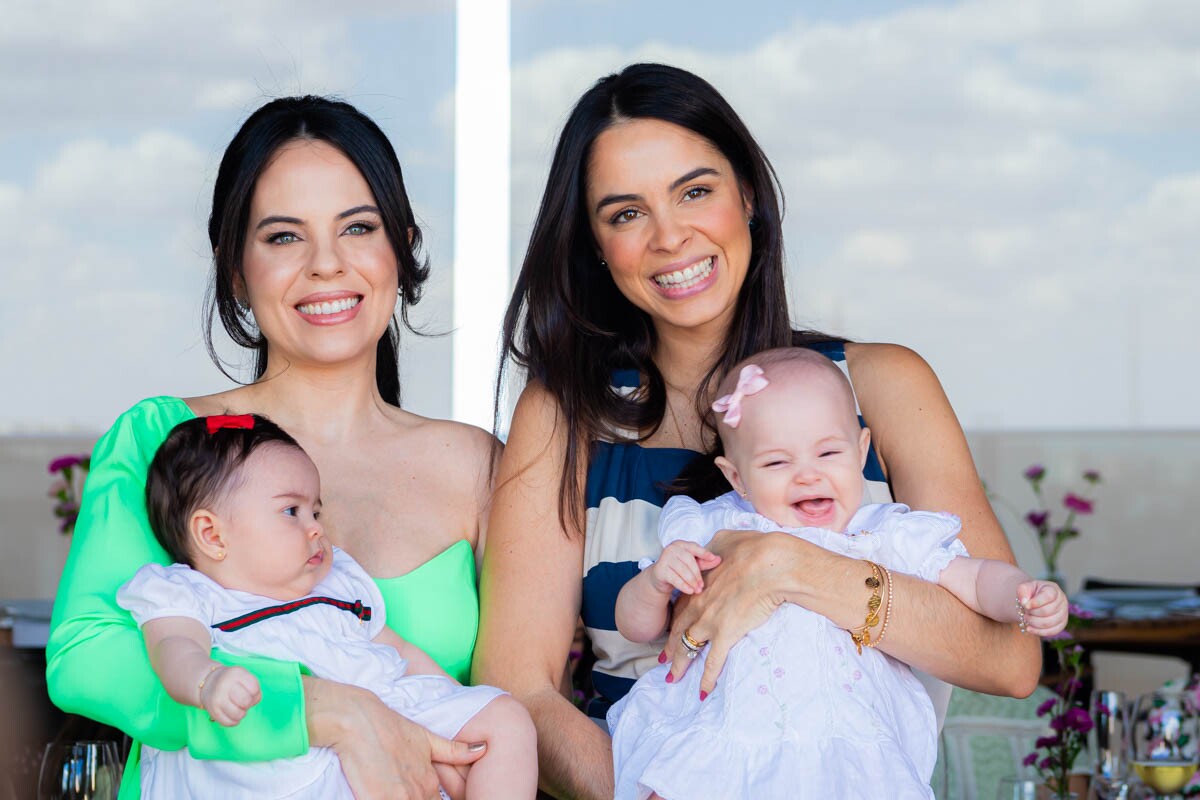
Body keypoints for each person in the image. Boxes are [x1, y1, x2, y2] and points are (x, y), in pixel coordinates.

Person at [474, 63, 1043, 799]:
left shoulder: (882, 386)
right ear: (593, 244)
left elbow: (1011, 660)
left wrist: (792, 567)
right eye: (626, 213)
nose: (670, 236)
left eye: (695, 191)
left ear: (748, 194)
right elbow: (518, 689)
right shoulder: (564, 417)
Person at [47, 96, 501, 800]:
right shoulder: (166, 442)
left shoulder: (479, 466)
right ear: (235, 268)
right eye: (284, 237)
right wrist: (324, 711)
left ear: (403, 248)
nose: (326, 264)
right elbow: (85, 657)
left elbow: (512, 701)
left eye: (358, 227)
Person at [608, 349, 1067, 799]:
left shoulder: (885, 535)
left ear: (861, 449)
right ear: (737, 478)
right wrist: (655, 583)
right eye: (776, 462)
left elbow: (973, 578)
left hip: (844, 743)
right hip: (725, 734)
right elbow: (639, 627)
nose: (808, 476)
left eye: (828, 452)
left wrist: (1021, 595)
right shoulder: (716, 531)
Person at [117, 414, 535, 799]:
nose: (316, 526)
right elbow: (174, 647)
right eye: (291, 510)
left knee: (507, 720)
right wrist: (207, 682)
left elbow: (401, 652)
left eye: (316, 509)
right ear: (212, 535)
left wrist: (455, 706)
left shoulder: (340, 581)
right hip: (286, 753)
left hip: (389, 709)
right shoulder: (187, 592)